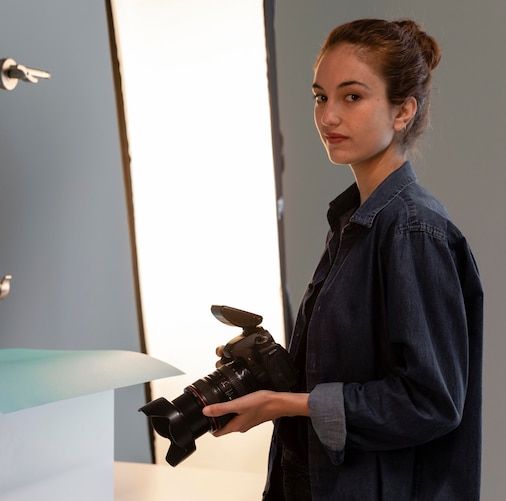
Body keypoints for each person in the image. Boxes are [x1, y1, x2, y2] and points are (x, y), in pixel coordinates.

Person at [202, 18, 483, 500]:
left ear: (403, 111)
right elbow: (353, 370)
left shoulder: (413, 231)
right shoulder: (354, 222)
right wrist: (273, 371)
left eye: (352, 96)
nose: (329, 116)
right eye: (320, 96)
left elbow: (430, 402)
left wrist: (289, 404)